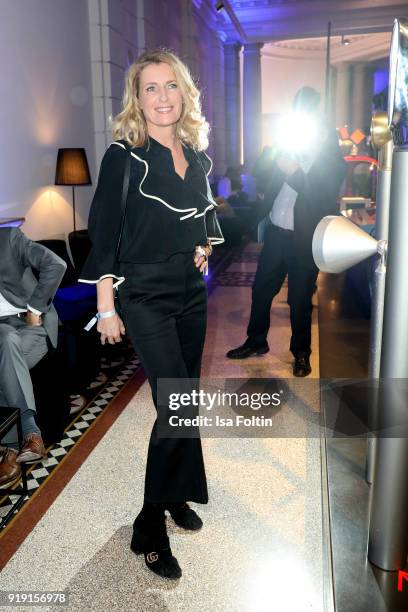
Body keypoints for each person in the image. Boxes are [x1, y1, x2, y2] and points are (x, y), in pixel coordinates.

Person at [79, 49, 224, 580]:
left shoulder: (194, 151)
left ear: (184, 92)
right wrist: (105, 304)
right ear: (136, 100)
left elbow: (201, 214)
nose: (163, 97)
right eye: (151, 89)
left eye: (171, 86)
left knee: (185, 398)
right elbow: (105, 231)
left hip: (190, 290)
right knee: (177, 409)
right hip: (144, 296)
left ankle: (174, 493)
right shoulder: (125, 155)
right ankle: (149, 526)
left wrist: (202, 245)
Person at [226, 87, 346, 376]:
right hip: (277, 235)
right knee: (261, 290)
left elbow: (322, 196)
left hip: (305, 239)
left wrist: (296, 171)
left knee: (300, 300)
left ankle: (301, 354)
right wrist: (276, 152)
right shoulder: (286, 144)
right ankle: (256, 341)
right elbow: (259, 173)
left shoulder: (330, 151)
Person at [0, 227, 66, 487]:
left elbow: (56, 264)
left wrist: (35, 307)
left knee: (7, 343)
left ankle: (12, 447)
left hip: (31, 326)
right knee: (5, 338)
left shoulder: (9, 239)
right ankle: (30, 436)